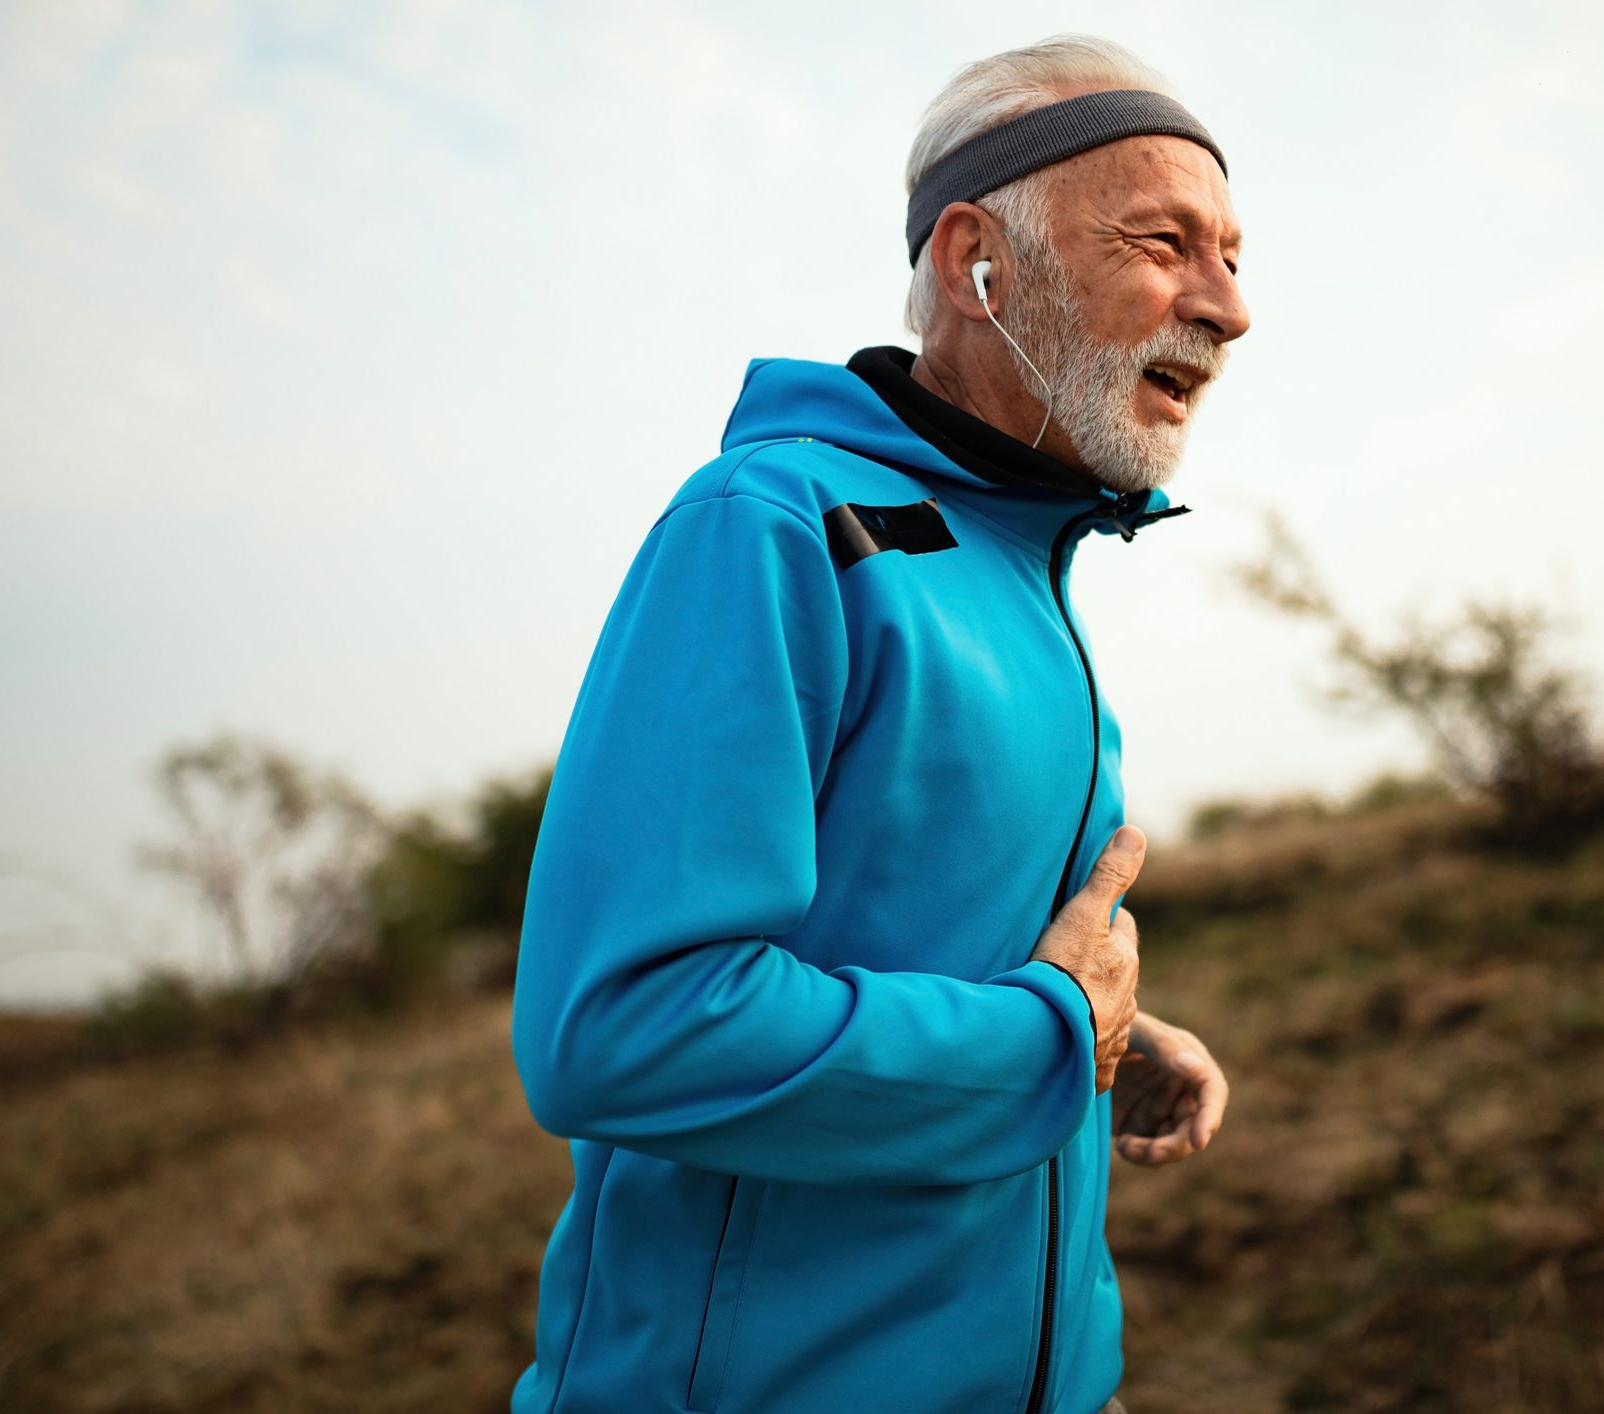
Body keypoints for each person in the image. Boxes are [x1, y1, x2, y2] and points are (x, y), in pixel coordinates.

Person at [509, 34, 1249, 1414]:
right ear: (979, 266)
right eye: (1165, 242)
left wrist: (1112, 1034)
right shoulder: (774, 526)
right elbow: (621, 1025)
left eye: (1232, 255)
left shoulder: (1031, 569)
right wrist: (1042, 1043)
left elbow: (922, 951)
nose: (1226, 307)